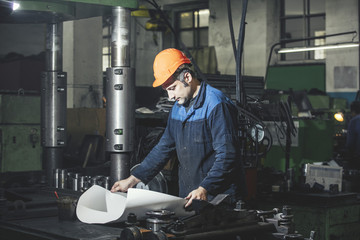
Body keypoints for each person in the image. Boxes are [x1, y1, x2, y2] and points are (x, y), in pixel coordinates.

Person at [111, 48, 247, 207]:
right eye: (167, 90)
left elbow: (227, 155)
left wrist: (205, 188)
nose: (170, 96)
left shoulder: (216, 104)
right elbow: (163, 148)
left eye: (172, 88)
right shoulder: (178, 108)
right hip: (190, 196)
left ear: (187, 77)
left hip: (219, 198)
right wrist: (133, 179)